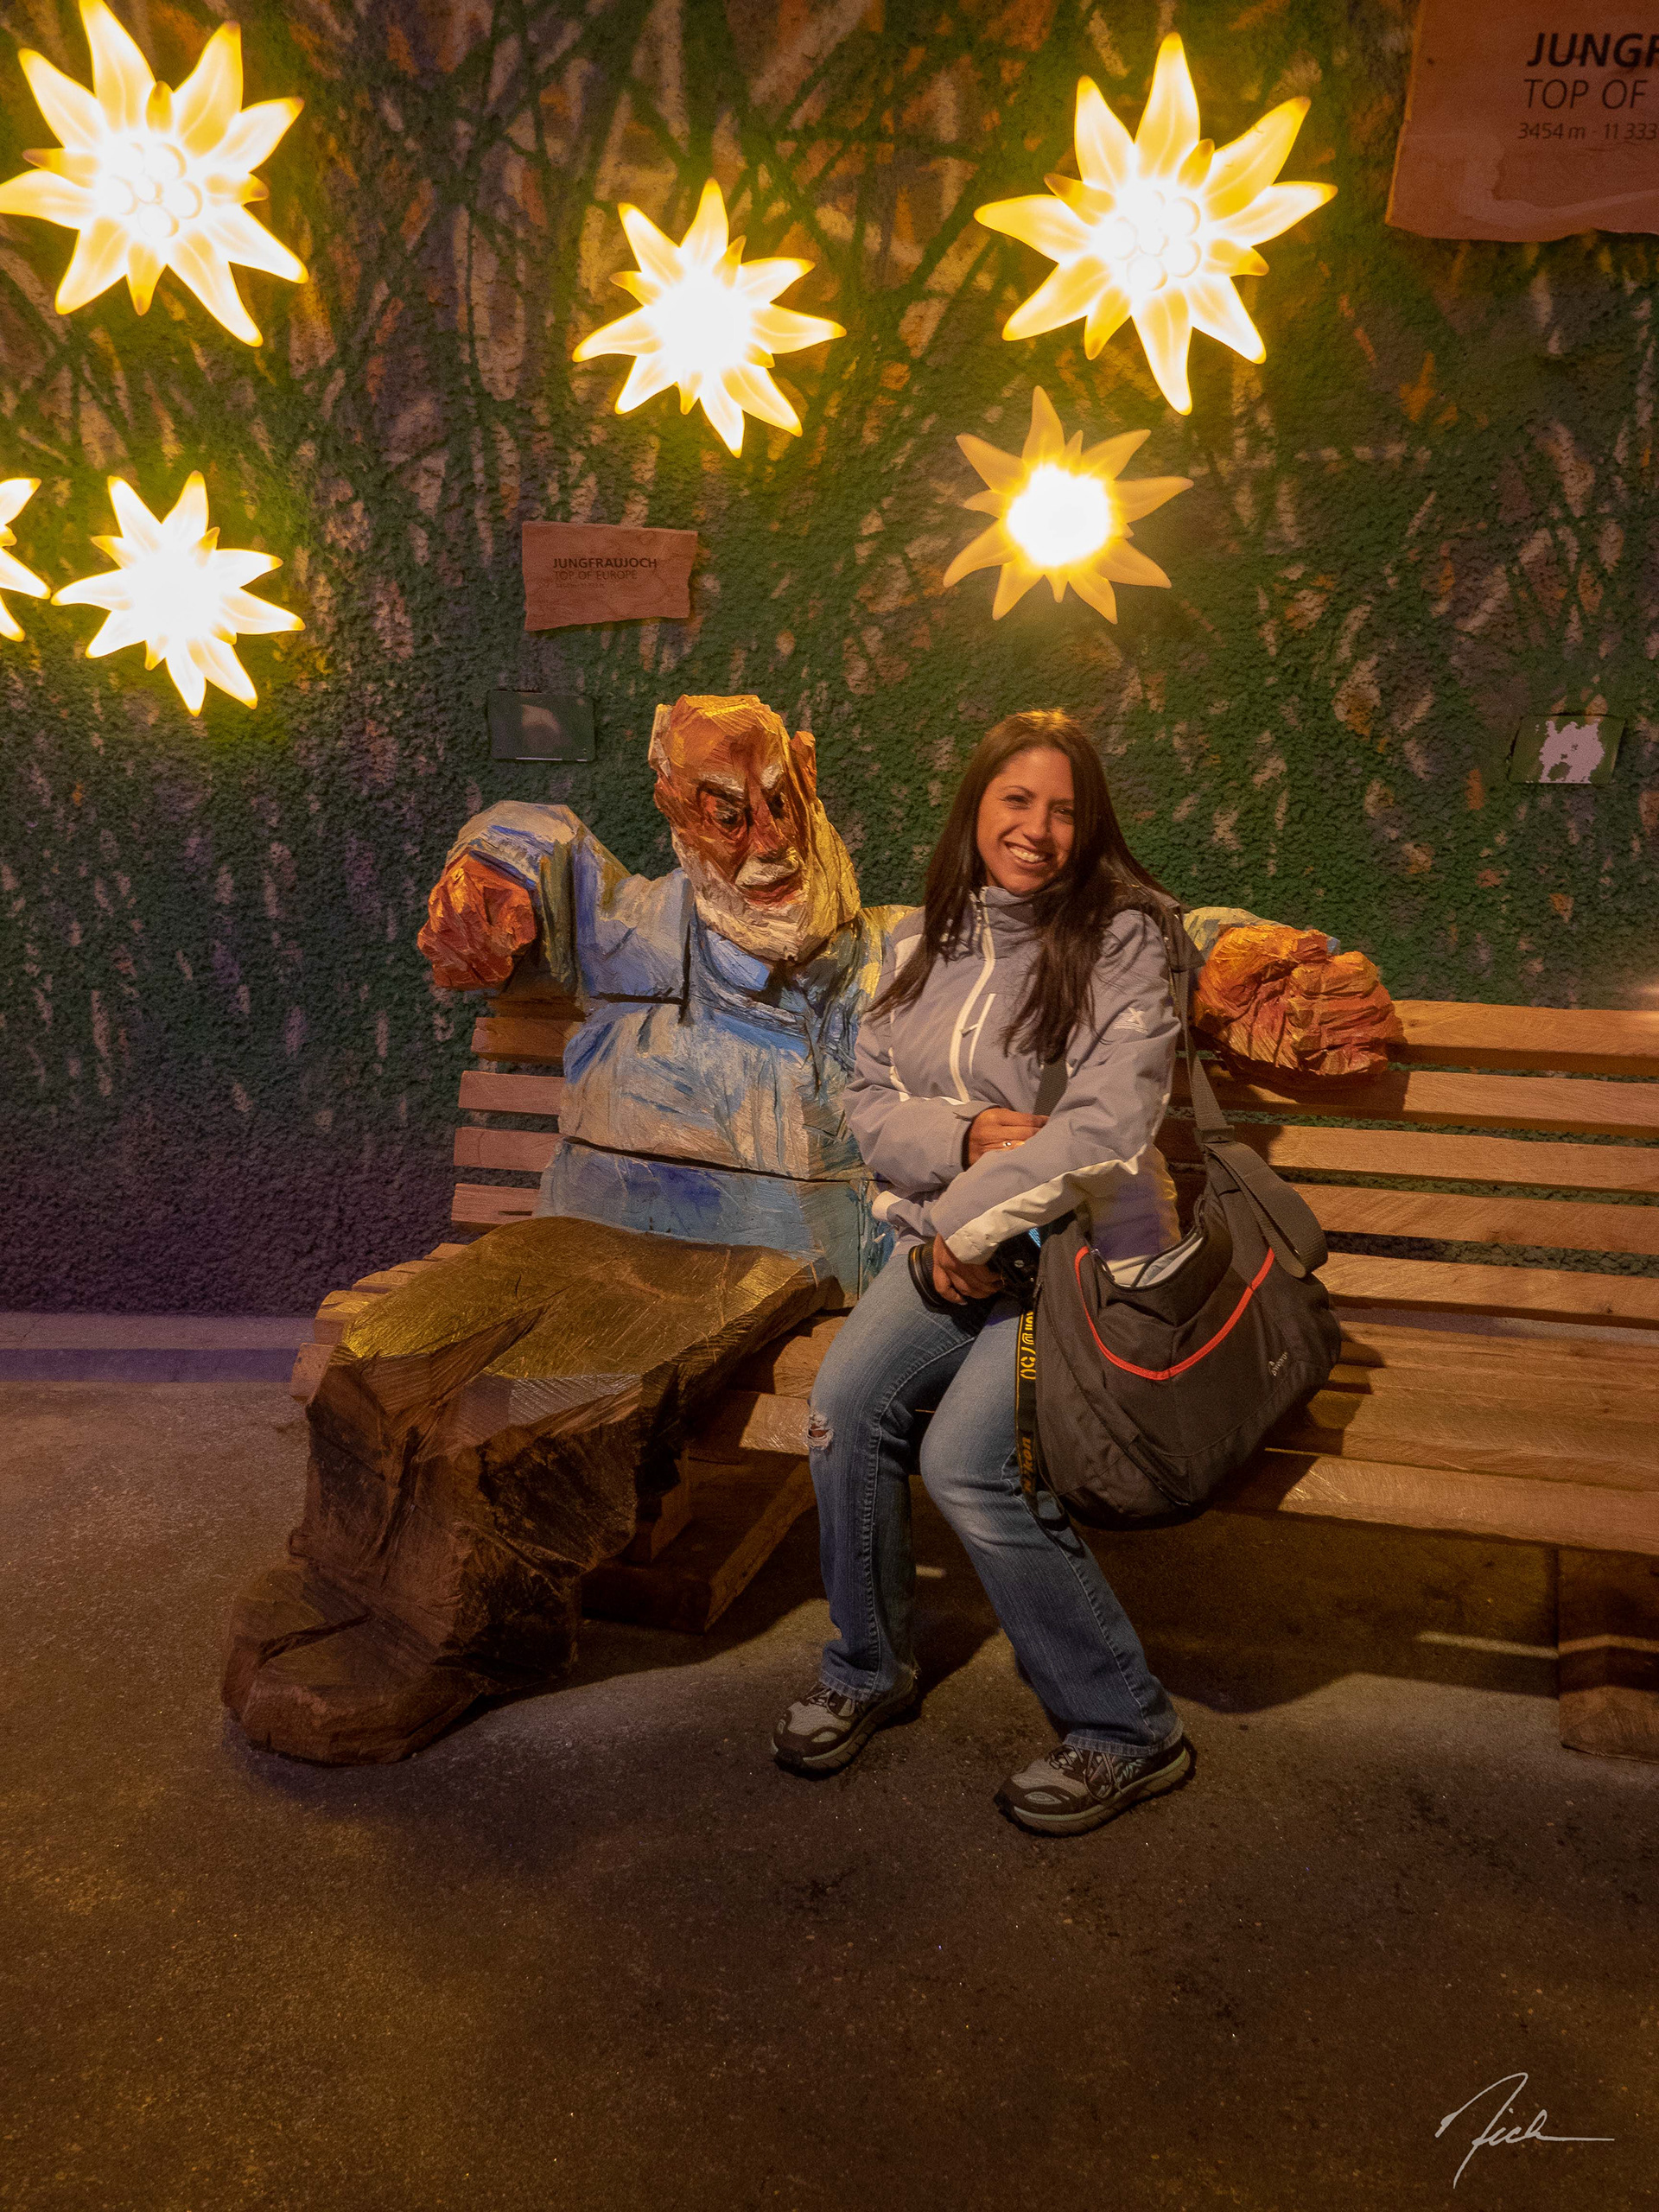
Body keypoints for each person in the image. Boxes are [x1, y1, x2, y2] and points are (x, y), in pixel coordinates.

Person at [772, 709, 1193, 1837]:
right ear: (976, 808)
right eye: (1017, 801)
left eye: (1064, 810)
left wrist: (961, 1229)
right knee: (842, 1414)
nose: (1038, 830)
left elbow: (1105, 1127)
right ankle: (868, 1669)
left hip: (1075, 1256)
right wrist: (957, 1142)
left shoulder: (1125, 939)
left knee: (968, 1465)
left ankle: (1129, 1730)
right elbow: (867, 1102)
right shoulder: (921, 942)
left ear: (1089, 827)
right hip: (948, 1248)